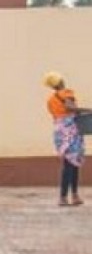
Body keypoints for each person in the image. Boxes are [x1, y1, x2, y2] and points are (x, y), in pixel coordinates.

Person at [45, 71, 88, 206]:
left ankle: (67, 196)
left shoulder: (51, 100)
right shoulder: (66, 93)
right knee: (72, 164)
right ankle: (70, 196)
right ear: (60, 81)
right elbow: (71, 108)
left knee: (69, 164)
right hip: (71, 131)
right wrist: (88, 110)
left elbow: (57, 115)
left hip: (60, 131)